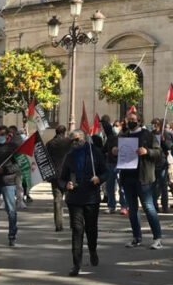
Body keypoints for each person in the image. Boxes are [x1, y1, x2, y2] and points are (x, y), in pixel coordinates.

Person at [59, 129, 108, 276]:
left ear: (84, 138)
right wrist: (66, 184)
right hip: (74, 198)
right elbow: (61, 178)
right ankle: (76, 264)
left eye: (77, 139)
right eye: (72, 140)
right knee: (77, 229)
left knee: (91, 229)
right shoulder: (69, 156)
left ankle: (92, 250)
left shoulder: (94, 153)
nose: (75, 142)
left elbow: (106, 172)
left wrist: (99, 179)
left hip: (91, 197)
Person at [115, 111, 163, 249]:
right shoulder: (123, 136)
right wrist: (114, 152)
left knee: (148, 207)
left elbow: (159, 153)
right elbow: (114, 153)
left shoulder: (148, 135)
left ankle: (157, 238)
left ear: (139, 121)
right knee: (132, 209)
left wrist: (147, 152)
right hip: (127, 177)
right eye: (128, 119)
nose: (130, 121)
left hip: (143, 177)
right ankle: (136, 237)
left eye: (133, 119)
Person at [151, 118, 173, 212]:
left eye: (156, 124)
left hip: (163, 162)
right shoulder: (151, 134)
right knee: (154, 185)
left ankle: (165, 206)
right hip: (153, 162)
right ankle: (154, 205)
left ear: (160, 125)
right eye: (153, 124)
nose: (154, 125)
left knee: (164, 184)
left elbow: (170, 147)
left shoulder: (166, 134)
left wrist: (164, 141)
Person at [46, 124, 73, 230]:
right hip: (68, 174)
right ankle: (73, 223)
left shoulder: (50, 143)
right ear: (64, 132)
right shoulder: (69, 142)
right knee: (71, 199)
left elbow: (46, 160)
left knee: (57, 199)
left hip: (55, 175)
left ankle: (58, 225)